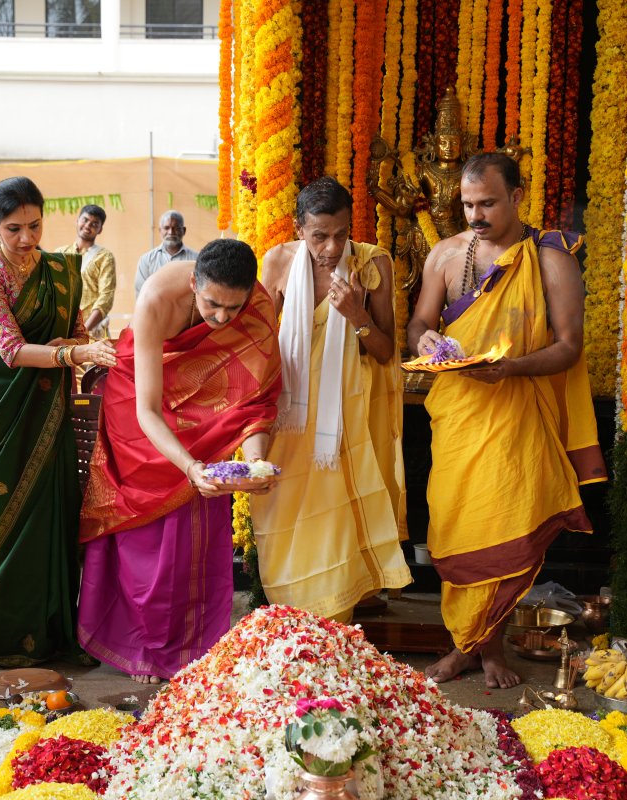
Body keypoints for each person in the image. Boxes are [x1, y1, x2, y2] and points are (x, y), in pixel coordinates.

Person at [406, 153, 605, 688]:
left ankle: (485, 651)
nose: (475, 214)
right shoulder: (446, 256)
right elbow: (419, 323)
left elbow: (569, 347)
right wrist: (423, 338)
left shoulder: (551, 259)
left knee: (503, 529)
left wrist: (510, 369)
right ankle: (469, 646)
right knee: (451, 533)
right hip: (457, 417)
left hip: (516, 419)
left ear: (518, 197)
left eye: (487, 203)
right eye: (468, 204)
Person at [79, 238, 283, 683]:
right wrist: (190, 468)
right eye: (212, 305)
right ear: (193, 282)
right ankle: (140, 644)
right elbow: (147, 409)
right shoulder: (156, 298)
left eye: (234, 308)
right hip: (139, 407)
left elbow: (254, 403)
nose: (222, 318)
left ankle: (195, 646)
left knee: (196, 526)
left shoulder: (257, 305)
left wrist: (254, 466)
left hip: (201, 419)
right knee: (147, 532)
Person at [0, 177, 116, 668]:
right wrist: (78, 354)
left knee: (53, 512)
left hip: (51, 406)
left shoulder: (61, 270)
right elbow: (10, 350)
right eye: (13, 229)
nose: (27, 238)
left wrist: (93, 354)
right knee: (5, 517)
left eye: (34, 225)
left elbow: (73, 334)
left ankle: (51, 633)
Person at [251, 177, 411, 623]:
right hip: (291, 417)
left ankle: (332, 630)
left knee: (334, 522)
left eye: (341, 234)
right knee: (283, 514)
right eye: (319, 235)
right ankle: (289, 626)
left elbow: (384, 352)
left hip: (345, 420)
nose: (332, 246)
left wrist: (357, 316)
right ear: (299, 228)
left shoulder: (373, 263)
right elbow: (261, 339)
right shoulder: (278, 262)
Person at [57, 204, 116, 339]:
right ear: (77, 221)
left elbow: (106, 297)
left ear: (100, 229)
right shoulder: (60, 254)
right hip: (63, 330)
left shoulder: (105, 256)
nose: (88, 225)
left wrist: (83, 331)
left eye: (95, 223)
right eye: (85, 220)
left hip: (93, 332)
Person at [133, 210, 198, 296]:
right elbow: (140, 293)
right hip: (156, 309)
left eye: (176, 228)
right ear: (160, 231)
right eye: (167, 228)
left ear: (184, 230)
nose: (171, 232)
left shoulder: (197, 259)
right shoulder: (146, 260)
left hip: (187, 309)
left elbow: (201, 291)